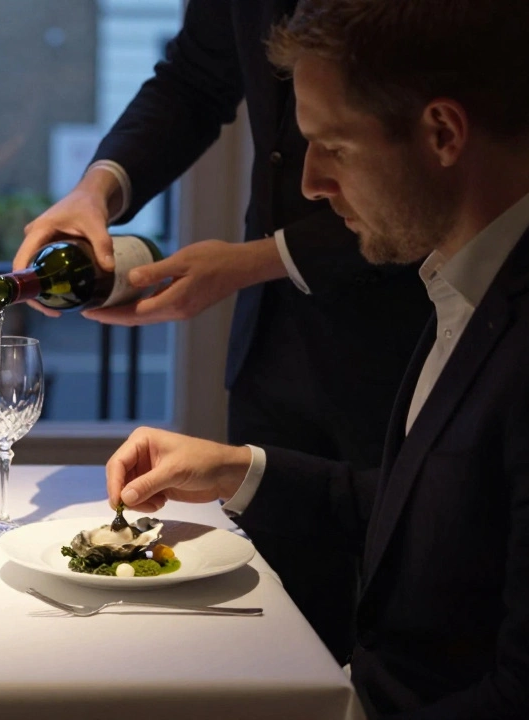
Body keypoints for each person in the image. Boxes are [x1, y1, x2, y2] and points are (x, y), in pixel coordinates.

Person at [106, 1, 529, 716]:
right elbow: (425, 516)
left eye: (333, 145)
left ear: (443, 132)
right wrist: (236, 470)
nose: (308, 184)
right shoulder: (458, 286)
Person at [13, 0, 432, 662]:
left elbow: (430, 167)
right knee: (270, 629)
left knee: (415, 604)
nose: (312, 180)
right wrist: (97, 189)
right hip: (271, 345)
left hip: (403, 339)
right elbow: (193, 79)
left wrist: (254, 262)